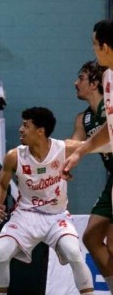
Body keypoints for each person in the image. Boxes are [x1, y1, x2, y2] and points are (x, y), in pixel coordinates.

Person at [0, 107, 93, 295]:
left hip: (57, 217)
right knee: (1, 254)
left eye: (25, 125)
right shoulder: (14, 156)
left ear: (40, 130)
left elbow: (94, 144)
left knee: (75, 255)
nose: (21, 130)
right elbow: (2, 185)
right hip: (25, 216)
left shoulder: (63, 148)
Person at [64, 19, 113, 291]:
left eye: (95, 44)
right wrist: (76, 152)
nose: (75, 83)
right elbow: (108, 132)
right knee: (92, 238)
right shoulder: (108, 81)